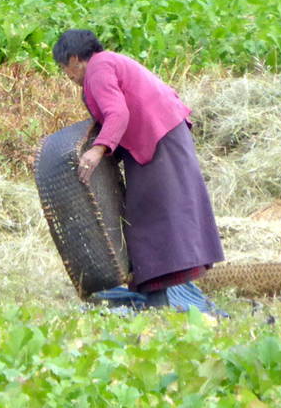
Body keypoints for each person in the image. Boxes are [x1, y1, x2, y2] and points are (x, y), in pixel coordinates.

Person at [53, 29, 224, 306]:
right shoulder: (106, 64)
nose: (68, 76)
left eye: (65, 68)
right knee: (153, 211)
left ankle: (163, 288)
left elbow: (118, 113)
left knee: (154, 212)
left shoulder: (98, 68)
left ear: (74, 59)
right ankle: (157, 285)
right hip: (161, 134)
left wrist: (98, 150)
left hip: (160, 134)